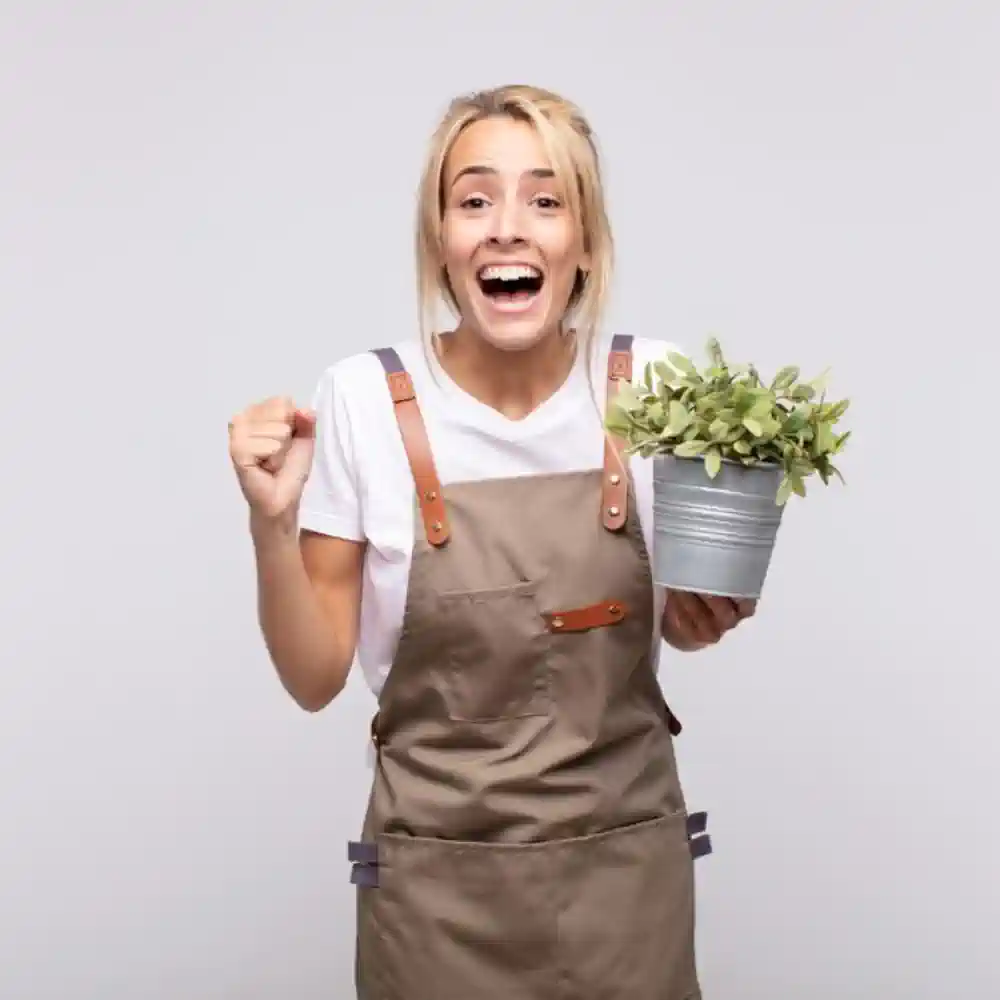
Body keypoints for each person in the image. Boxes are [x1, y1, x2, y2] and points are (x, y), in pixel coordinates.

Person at [228, 84, 756, 1000]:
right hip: (435, 903)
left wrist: (707, 610)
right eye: (474, 200)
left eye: (546, 200)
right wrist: (271, 525)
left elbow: (678, 620)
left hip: (625, 889)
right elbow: (313, 678)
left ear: (585, 242)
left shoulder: (657, 386)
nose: (507, 227)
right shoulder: (361, 399)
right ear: (440, 239)